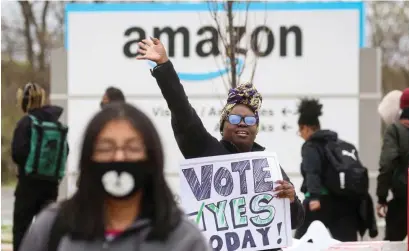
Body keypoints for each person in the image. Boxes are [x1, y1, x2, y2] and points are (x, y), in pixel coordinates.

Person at [136, 38, 304, 239]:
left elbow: (295, 221)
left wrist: (291, 199)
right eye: (234, 118)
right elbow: (182, 112)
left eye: (249, 119)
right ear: (223, 125)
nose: (242, 123)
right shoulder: (206, 151)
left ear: (256, 128)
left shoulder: (269, 166)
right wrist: (164, 67)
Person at [19, 102, 210, 251]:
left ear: (152, 158)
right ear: (89, 158)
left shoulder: (184, 238)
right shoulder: (51, 227)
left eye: (132, 148)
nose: (119, 157)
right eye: (106, 148)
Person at [293, 98, 373, 242]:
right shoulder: (339, 144)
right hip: (345, 202)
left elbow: (312, 171)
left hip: (320, 202)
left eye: (300, 131)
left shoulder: (311, 146)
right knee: (347, 245)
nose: (301, 135)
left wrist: (314, 197)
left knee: (301, 243)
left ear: (305, 128)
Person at [12, 82, 69, 251]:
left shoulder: (25, 122)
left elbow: (18, 154)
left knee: (21, 230)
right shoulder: (55, 123)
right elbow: (65, 151)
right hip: (51, 185)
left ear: (24, 101)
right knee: (49, 230)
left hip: (28, 186)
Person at [377, 87, 409, 241]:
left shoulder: (395, 130)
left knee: (394, 244)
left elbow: (387, 164)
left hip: (403, 202)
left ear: (401, 107)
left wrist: (381, 198)